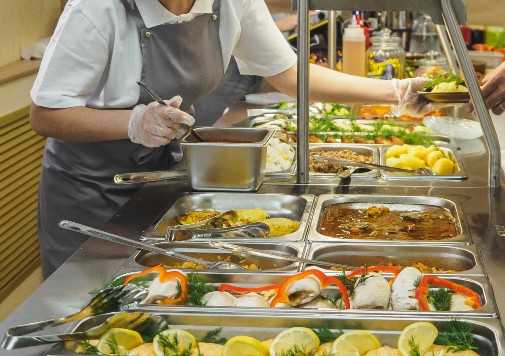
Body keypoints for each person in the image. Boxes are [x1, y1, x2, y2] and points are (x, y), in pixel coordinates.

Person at [30, 0, 430, 278]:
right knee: (85, 316)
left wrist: (396, 92)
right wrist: (134, 123)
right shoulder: (97, 9)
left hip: (163, 179)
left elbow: (288, 73)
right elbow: (46, 114)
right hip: (89, 190)